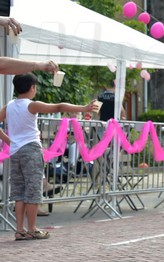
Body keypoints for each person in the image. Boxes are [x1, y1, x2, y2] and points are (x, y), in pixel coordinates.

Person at [0, 73, 96, 240]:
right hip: (31, 149)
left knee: (19, 190)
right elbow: (59, 107)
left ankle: (20, 230)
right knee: (33, 189)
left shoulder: (9, 106)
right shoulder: (32, 105)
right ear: (32, 88)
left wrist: (9, 141)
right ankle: (32, 228)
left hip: (15, 152)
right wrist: (83, 108)